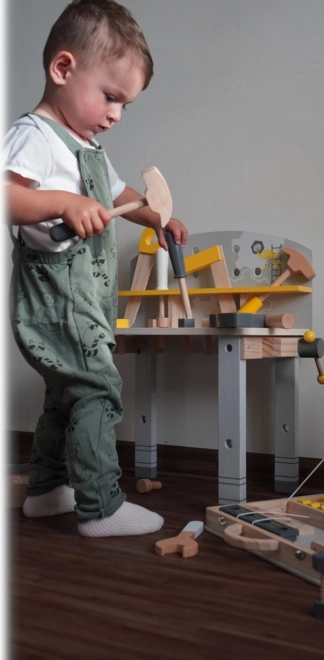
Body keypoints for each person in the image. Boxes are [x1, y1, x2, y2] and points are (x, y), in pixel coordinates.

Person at [3, 0, 187, 537]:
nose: (116, 115)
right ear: (64, 68)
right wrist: (62, 202)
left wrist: (155, 218)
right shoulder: (34, 136)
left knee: (68, 394)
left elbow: (119, 191)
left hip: (83, 295)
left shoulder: (88, 146)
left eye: (124, 104)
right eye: (110, 97)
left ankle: (45, 490)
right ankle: (100, 506)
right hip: (55, 295)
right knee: (98, 387)